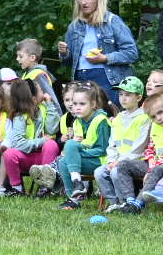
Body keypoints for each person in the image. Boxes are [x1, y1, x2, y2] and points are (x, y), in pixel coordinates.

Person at [55, 0, 139, 105]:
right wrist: (64, 53)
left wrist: (105, 58)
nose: (83, 2)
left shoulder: (112, 21)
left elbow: (132, 53)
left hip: (107, 80)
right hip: (80, 81)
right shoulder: (74, 26)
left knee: (108, 116)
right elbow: (67, 62)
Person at [37, 82, 110, 210]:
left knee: (70, 145)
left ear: (93, 104)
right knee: (63, 162)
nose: (77, 107)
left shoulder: (101, 121)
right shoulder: (77, 122)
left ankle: (77, 183)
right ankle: (74, 199)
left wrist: (79, 153)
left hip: (101, 160)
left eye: (82, 104)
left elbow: (103, 150)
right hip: (87, 159)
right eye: (75, 103)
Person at [96, 77, 150, 211]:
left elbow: (139, 147)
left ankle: (125, 202)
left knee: (116, 171)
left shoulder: (144, 118)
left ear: (138, 97)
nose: (123, 98)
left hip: (137, 161)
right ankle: (114, 202)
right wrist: (111, 161)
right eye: (120, 94)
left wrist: (118, 162)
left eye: (128, 95)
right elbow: (112, 145)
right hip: (117, 161)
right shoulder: (118, 119)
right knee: (99, 172)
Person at [119, 92, 163, 213]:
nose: (158, 118)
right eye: (153, 117)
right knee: (123, 165)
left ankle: (138, 204)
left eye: (160, 112)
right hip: (154, 164)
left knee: (156, 170)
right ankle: (129, 200)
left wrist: (151, 169)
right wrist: (150, 166)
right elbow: (151, 148)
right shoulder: (155, 126)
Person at [0, 78, 59, 195]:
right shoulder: (19, 117)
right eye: (41, 91)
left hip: (43, 158)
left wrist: (50, 104)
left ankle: (45, 186)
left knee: (51, 144)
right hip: (26, 157)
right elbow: (19, 144)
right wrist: (42, 140)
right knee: (9, 153)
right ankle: (17, 188)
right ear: (34, 99)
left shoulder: (45, 108)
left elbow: (52, 129)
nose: (44, 93)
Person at [14, 39, 56, 104]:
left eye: (20, 56)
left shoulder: (38, 75)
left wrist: (57, 111)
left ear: (32, 58)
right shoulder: (25, 75)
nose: (17, 59)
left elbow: (51, 97)